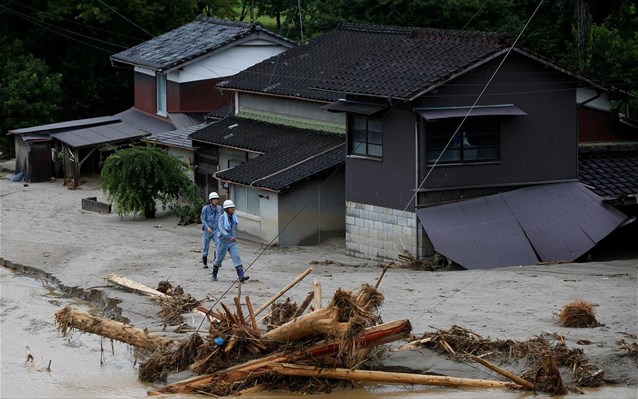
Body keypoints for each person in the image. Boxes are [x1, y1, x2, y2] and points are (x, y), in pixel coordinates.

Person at [211, 200, 249, 282]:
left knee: (236, 257)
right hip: (223, 241)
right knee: (218, 259)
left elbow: (234, 230)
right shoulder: (221, 218)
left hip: (232, 242)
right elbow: (221, 230)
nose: (233, 209)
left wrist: (234, 238)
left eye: (233, 207)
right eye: (231, 208)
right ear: (227, 209)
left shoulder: (234, 218)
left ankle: (241, 276)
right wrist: (229, 237)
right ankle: (214, 274)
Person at [200, 192, 222, 269]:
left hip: (216, 229)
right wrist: (207, 227)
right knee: (205, 246)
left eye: (217, 199)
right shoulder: (205, 208)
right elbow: (203, 219)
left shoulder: (219, 208)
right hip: (207, 230)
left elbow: (220, 219)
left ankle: (216, 259)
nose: (216, 201)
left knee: (219, 244)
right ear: (211, 200)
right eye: (214, 199)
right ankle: (205, 262)